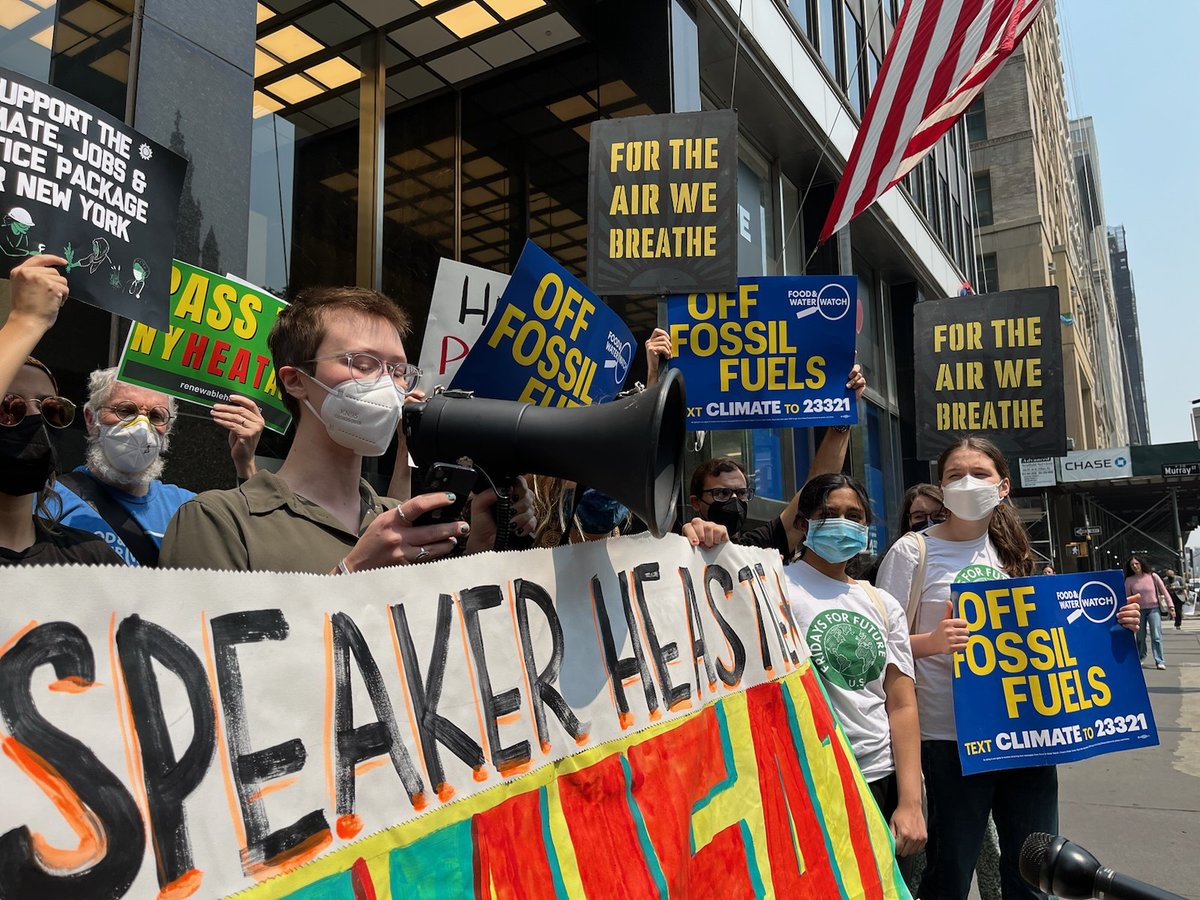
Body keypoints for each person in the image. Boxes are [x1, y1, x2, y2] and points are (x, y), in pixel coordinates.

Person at [876, 436, 1139, 900]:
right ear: (941, 486)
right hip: (949, 741)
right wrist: (932, 643)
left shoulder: (1015, 554)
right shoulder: (911, 553)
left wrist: (1111, 627)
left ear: (1003, 488)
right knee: (948, 873)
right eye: (955, 475)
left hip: (1028, 737)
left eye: (979, 473)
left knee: (1035, 874)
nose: (967, 482)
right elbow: (881, 647)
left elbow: (1052, 641)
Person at [161, 285, 535, 573]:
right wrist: (352, 572)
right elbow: (207, 667)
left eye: (398, 371)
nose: (389, 387)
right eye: (363, 364)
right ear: (295, 381)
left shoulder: (404, 519)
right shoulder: (218, 521)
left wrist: (480, 549)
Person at [782, 474, 926, 869]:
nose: (842, 522)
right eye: (829, 514)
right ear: (802, 523)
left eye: (854, 515)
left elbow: (901, 705)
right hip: (806, 785)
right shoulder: (772, 588)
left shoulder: (881, 603)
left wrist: (910, 802)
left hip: (879, 779)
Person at [49, 367, 264, 565]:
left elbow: (254, 553)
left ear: (167, 430)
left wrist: (246, 463)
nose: (141, 427)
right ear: (90, 418)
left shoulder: (189, 509)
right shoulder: (51, 500)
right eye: (126, 411)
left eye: (155, 416)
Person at [0, 256, 120, 565]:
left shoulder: (91, 559)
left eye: (51, 410)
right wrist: (26, 321)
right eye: (8, 406)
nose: (34, 418)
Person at [1124, 557, 1170, 668]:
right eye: (1132, 565)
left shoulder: (1153, 577)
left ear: (1141, 564)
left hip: (1154, 608)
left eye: (1136, 563)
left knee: (1156, 635)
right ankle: (1141, 657)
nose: (1135, 566)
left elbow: (1164, 591)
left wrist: (1171, 606)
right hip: (1138, 610)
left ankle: (1160, 661)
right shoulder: (1129, 580)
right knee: (1140, 636)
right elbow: (1127, 597)